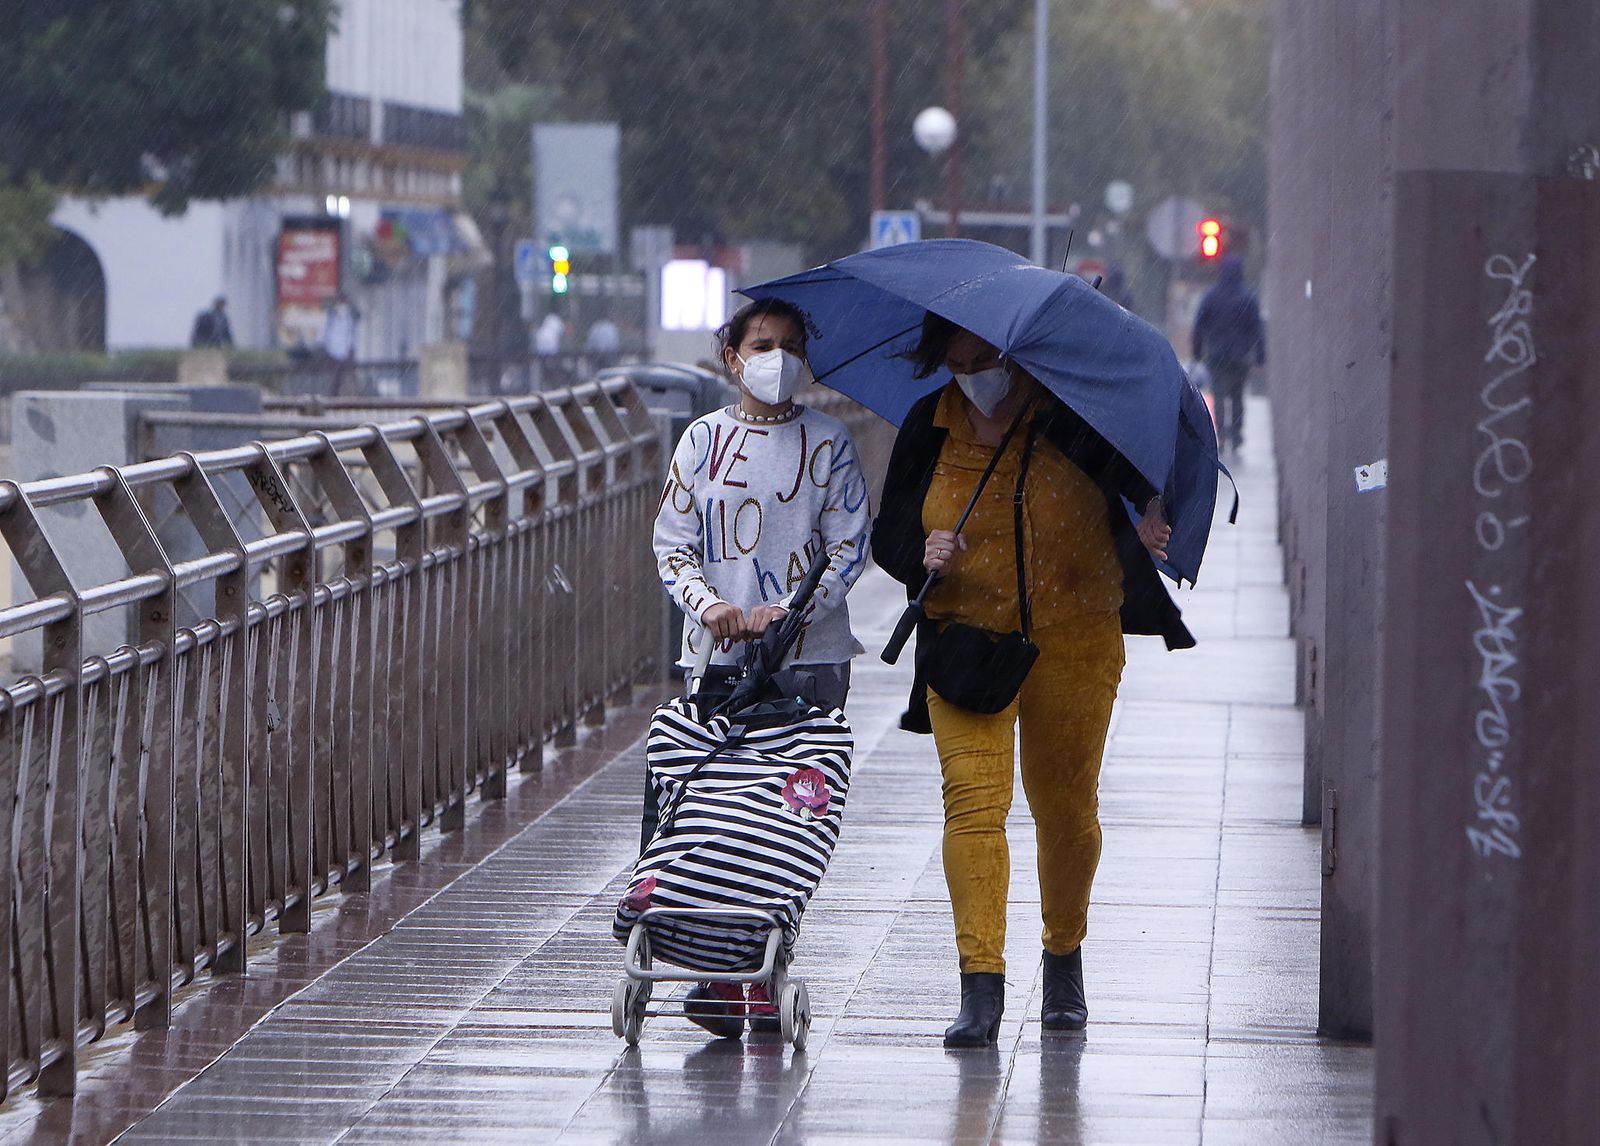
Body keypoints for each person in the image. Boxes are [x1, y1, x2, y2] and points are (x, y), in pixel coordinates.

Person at [871, 313, 1194, 1048]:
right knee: (973, 807)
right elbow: (889, 534)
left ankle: (1063, 956)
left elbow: (1139, 488)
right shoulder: (933, 423)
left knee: (1067, 811)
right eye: (957, 360)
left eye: (984, 356)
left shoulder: (1073, 416)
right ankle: (979, 986)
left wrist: (1147, 522)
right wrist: (923, 551)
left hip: (1074, 637)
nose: (973, 373)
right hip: (965, 644)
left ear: (1016, 355)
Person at [652, 297, 871, 1038]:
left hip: (811, 663)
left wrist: (792, 612)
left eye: (789, 345)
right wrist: (711, 607)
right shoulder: (700, 442)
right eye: (763, 343)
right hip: (718, 663)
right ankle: (723, 971)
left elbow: (849, 545)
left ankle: (765, 961)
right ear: (732, 358)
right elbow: (672, 542)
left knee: (788, 820)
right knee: (719, 814)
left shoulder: (830, 443)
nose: (777, 357)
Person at [1190, 255, 1264, 453]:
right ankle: (1237, 435)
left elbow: (1199, 325)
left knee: (1220, 395)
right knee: (1238, 396)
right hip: (1240, 357)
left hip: (1217, 356)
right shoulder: (1248, 298)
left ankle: (1222, 435)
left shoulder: (1212, 296)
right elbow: (1257, 328)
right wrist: (1259, 356)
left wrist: (1197, 351)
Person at [321, 292, 360, 395]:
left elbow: (352, 334)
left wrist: (350, 349)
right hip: (333, 353)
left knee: (349, 378)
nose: (341, 306)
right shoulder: (331, 317)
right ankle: (333, 399)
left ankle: (351, 399)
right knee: (334, 380)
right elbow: (326, 335)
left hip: (347, 352)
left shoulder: (350, 316)